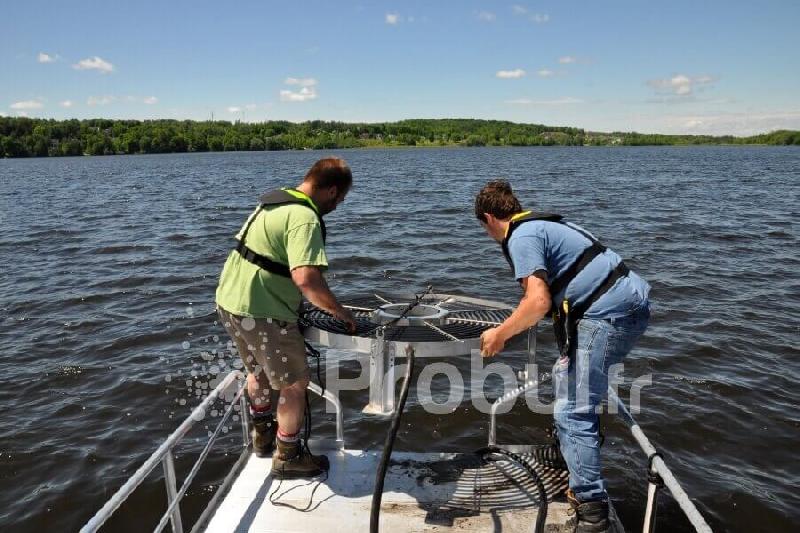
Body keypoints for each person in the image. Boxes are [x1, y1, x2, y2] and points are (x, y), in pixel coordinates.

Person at [474, 180, 651, 532]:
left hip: (608, 315)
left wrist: (499, 334)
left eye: (484, 228)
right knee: (565, 377)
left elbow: (538, 302)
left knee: (573, 408)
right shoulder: (543, 225)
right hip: (623, 304)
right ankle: (571, 456)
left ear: (489, 218)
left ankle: (591, 510)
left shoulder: (520, 237)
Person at [215, 157, 356, 479]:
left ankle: (263, 437)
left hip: (230, 302)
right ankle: (288, 456)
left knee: (258, 372)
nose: (339, 205)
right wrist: (340, 311)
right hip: (265, 312)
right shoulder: (305, 217)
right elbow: (306, 278)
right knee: (294, 385)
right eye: (341, 199)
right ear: (332, 190)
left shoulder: (275, 201)